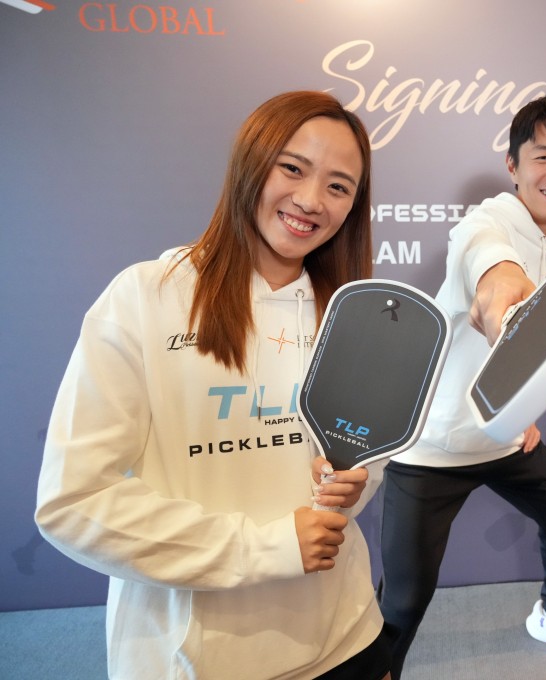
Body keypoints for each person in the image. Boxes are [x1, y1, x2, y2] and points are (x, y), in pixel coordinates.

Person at [35, 91, 392, 680]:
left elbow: (365, 466)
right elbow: (75, 502)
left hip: (346, 636)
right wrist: (266, 549)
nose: (310, 200)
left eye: (338, 186)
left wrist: (353, 481)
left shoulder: (354, 318)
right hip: (192, 659)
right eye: (293, 168)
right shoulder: (145, 298)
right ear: (251, 163)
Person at [369, 93, 546, 677]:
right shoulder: (483, 223)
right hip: (431, 446)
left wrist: (522, 407)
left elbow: (542, 349)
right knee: (404, 601)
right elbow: (491, 264)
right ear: (513, 165)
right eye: (542, 156)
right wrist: (499, 289)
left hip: (503, 438)